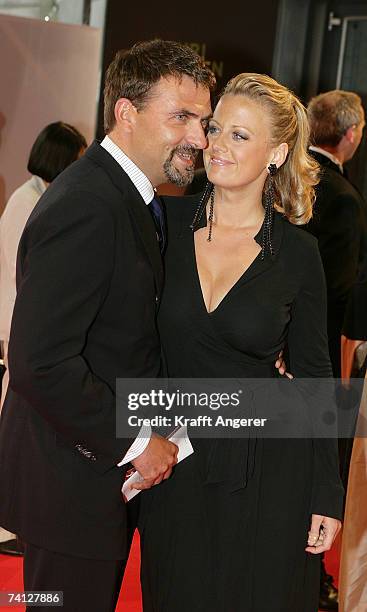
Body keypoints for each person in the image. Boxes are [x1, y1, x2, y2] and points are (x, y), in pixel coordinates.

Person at [0, 40, 216, 612]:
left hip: (86, 481)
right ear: (127, 112)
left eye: (204, 120)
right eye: (182, 117)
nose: (199, 137)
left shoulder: (129, 197)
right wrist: (138, 441)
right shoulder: (89, 203)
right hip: (68, 485)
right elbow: (38, 362)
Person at [139, 73, 344, 611]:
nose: (218, 145)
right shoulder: (161, 225)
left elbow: (316, 379)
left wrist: (328, 494)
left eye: (240, 135)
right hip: (175, 461)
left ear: (276, 154)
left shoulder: (298, 255)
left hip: (269, 470)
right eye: (216, 128)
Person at [0, 121, 87, 557]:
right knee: (11, 422)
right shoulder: (26, 200)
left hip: (26, 325)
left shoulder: (43, 195)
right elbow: (18, 277)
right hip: (17, 325)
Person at [305, 91, 367, 609]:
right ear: (350, 135)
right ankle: (312, 579)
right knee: (321, 471)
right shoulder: (343, 196)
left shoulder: (292, 178)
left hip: (278, 351)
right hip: (320, 355)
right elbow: (339, 292)